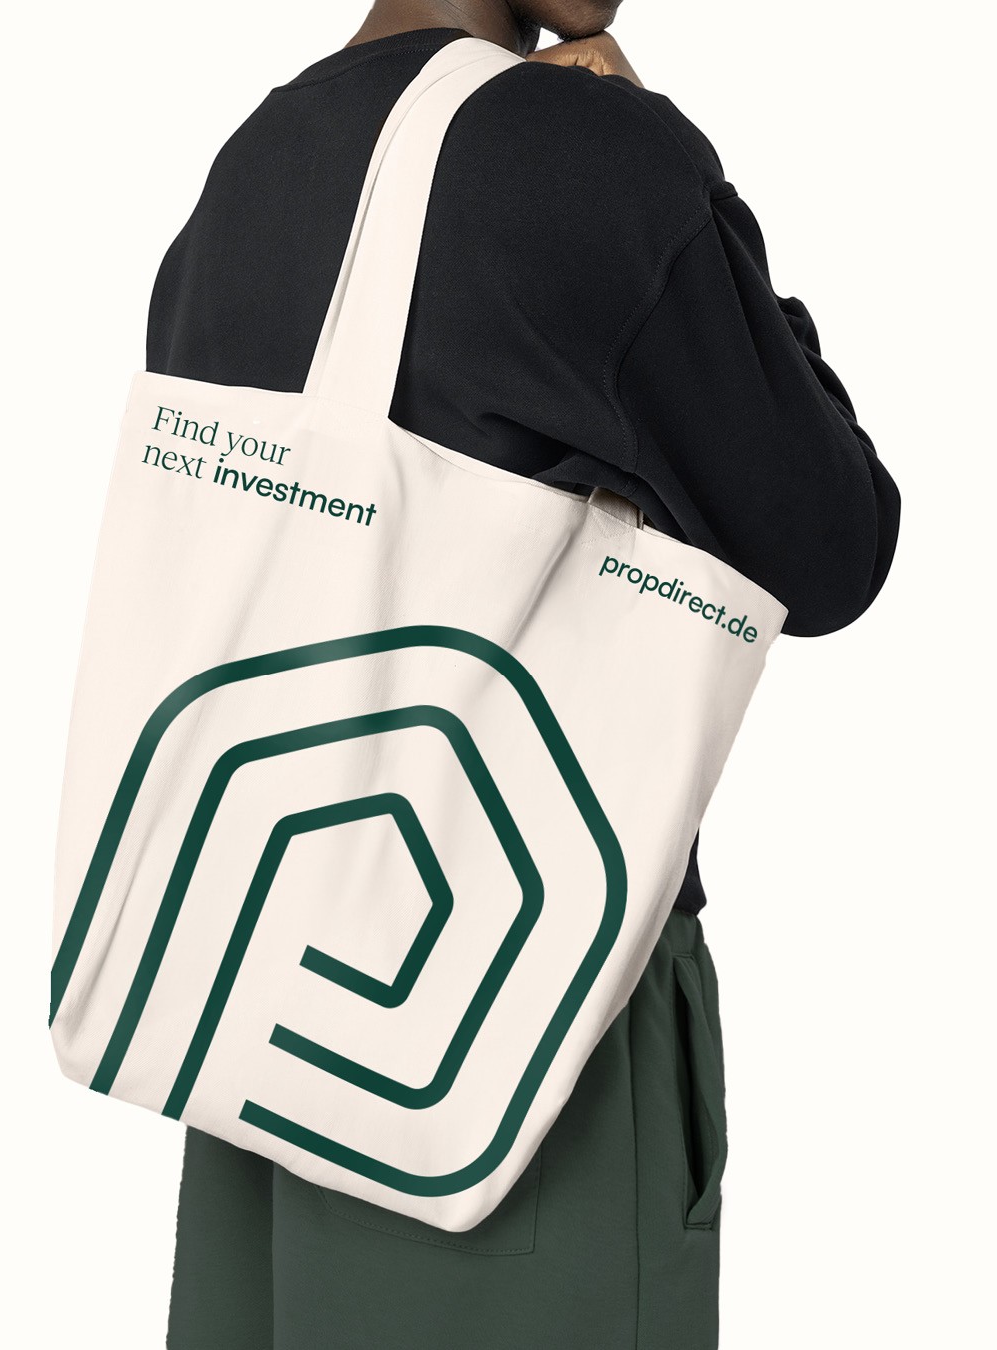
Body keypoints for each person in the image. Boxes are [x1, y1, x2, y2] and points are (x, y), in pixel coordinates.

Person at [151, 4, 901, 1347]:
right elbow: (833, 542)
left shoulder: (248, 172)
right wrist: (696, 199)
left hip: (256, 1005)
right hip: (525, 1022)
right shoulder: (597, 164)